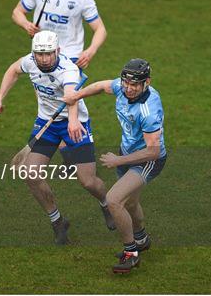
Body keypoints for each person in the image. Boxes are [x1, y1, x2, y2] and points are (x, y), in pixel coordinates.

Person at [0, 30, 115, 245]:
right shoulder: (30, 62)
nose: (44, 58)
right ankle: (57, 221)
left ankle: (106, 204)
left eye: (48, 54)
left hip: (75, 124)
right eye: (40, 54)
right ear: (34, 53)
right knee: (30, 174)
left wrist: (73, 121)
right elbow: (13, 70)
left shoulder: (68, 69)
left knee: (87, 181)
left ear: (58, 51)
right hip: (46, 124)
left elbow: (70, 96)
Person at [62, 59, 166, 273]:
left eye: (135, 85)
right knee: (129, 202)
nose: (129, 88)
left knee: (113, 200)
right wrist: (77, 95)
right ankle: (142, 239)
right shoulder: (123, 86)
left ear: (147, 82)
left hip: (147, 160)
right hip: (127, 153)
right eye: (126, 83)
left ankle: (131, 253)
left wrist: (118, 161)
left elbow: (153, 151)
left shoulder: (148, 110)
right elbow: (101, 86)